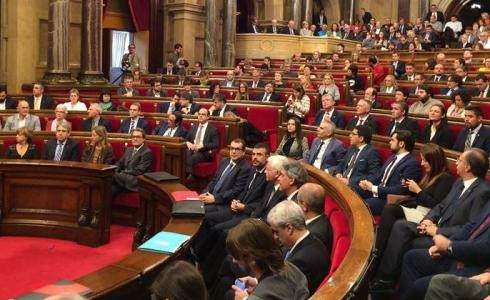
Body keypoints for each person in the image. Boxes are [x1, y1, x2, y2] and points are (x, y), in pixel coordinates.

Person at [371, 148, 490, 296]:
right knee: (401, 226)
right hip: (435, 228)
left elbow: (470, 227)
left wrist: (438, 232)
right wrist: (428, 219)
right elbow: (441, 206)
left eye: (460, 160)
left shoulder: (483, 191)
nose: (456, 163)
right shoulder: (460, 182)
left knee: (405, 232)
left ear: (467, 167)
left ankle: (385, 279)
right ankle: (384, 278)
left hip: (447, 237)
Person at [399, 182, 490, 299]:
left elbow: (485, 248)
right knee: (411, 258)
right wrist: (445, 246)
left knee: (421, 286)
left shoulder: (483, 190)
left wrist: (450, 246)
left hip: (477, 266)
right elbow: (471, 226)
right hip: (460, 255)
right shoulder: (459, 185)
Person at [373, 144, 453, 272]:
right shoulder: (430, 174)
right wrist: (411, 188)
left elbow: (435, 204)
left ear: (434, 161)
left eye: (425, 160)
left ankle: (377, 254)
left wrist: (418, 190)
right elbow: (419, 198)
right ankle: (377, 252)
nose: (422, 163)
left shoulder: (446, 178)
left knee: (391, 211)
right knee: (391, 209)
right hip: (417, 210)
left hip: (427, 215)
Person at [227, 219, 309, 300]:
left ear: (251, 257)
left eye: (236, 256)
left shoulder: (257, 297)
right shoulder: (289, 266)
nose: (234, 260)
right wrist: (256, 281)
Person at [267, 200, 330, 295]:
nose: (275, 237)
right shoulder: (309, 240)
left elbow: (283, 295)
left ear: (289, 229)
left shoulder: (301, 261)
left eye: (276, 232)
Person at [357, 130, 422, 215]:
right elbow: (378, 176)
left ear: (401, 144)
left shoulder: (412, 164)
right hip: (377, 192)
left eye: (393, 140)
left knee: (360, 206)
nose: (389, 142)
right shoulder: (392, 157)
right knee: (352, 190)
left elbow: (401, 190)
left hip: (388, 199)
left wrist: (373, 188)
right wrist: (365, 182)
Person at [198, 139, 251, 210]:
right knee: (189, 205)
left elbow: (235, 191)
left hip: (223, 203)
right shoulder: (224, 161)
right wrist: (205, 192)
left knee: (198, 211)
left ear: (243, 152)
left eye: (237, 149)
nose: (234, 151)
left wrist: (214, 198)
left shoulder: (245, 168)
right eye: (232, 148)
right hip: (211, 197)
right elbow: (214, 180)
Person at [333, 125, 381, 190]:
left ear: (361, 138)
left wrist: (349, 181)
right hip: (341, 181)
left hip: (355, 187)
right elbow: (342, 163)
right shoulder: (351, 148)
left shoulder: (372, 152)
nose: (350, 135)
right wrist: (338, 173)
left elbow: (373, 176)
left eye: (353, 134)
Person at [113, 128, 153, 195]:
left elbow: (139, 170)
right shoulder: (129, 149)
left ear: (143, 139)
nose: (135, 139)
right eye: (133, 137)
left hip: (134, 180)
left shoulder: (147, 152)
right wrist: (115, 170)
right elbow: (120, 163)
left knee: (109, 176)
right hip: (122, 179)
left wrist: (123, 172)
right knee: (110, 189)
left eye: (138, 137)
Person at [297, 183, 333, 251]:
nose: (296, 205)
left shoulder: (313, 235)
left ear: (304, 206)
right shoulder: (322, 218)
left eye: (298, 201)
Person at [185, 108, 219, 175]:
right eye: (199, 114)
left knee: (192, 157)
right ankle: (188, 173)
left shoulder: (213, 129)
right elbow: (186, 139)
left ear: (208, 117)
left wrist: (203, 145)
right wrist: (187, 143)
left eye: (203, 114)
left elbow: (216, 144)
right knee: (185, 153)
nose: (200, 116)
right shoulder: (193, 127)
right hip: (191, 150)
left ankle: (188, 174)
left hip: (204, 152)